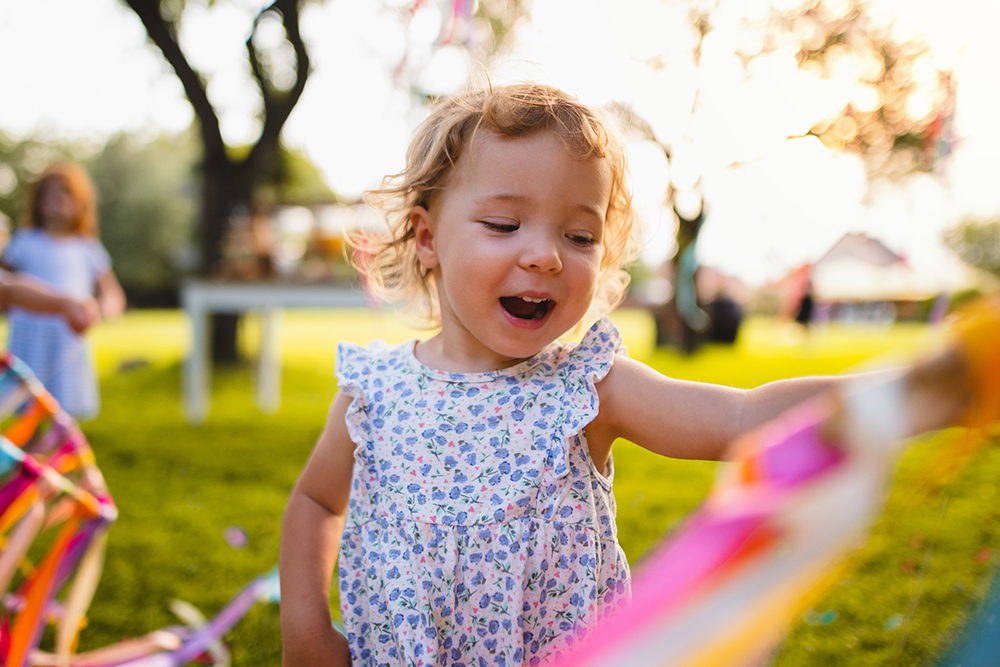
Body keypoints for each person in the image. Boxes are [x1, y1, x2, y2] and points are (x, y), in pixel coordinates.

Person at [278, 83, 850, 667]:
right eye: (504, 224)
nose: (546, 256)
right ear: (428, 239)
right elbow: (317, 501)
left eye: (580, 237)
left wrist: (894, 392)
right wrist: (304, 626)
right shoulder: (374, 395)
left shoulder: (587, 391)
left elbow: (741, 417)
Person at [1, 163, 125, 419]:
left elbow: (112, 293)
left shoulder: (88, 247)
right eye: (48, 193)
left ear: (81, 202)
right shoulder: (24, 241)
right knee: (25, 407)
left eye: (64, 193)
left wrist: (100, 310)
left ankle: (58, 453)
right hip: (29, 333)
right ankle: (26, 454)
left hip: (68, 335)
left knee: (64, 412)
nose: (56, 200)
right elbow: (7, 287)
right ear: (37, 200)